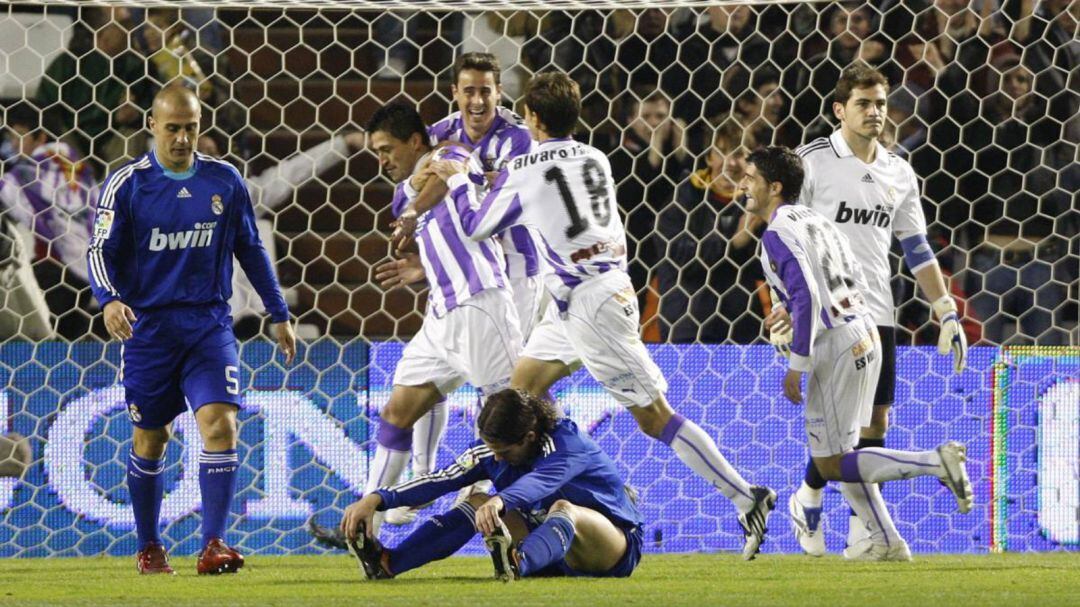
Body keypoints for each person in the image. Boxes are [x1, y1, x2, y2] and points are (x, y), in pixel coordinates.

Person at [428, 72, 775, 560]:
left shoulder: (525, 167)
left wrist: (459, 178)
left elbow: (475, 224)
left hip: (592, 304)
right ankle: (581, 482)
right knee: (521, 394)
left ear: (531, 118)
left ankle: (747, 497)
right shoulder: (595, 157)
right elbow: (554, 192)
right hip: (580, 297)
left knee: (654, 418)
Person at [86, 85, 296, 575]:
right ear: (152, 127)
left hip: (208, 325)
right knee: (151, 439)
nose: (182, 138)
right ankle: (149, 545)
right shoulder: (128, 185)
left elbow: (251, 250)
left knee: (221, 425)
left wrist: (277, 312)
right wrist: (109, 299)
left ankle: (214, 544)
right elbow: (99, 251)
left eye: (191, 128)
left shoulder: (224, 180)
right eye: (173, 128)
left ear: (201, 128)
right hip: (149, 331)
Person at [742, 145, 973, 562]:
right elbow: (838, 278)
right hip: (866, 330)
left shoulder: (777, 234)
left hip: (835, 345)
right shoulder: (816, 220)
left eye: (750, 177)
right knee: (846, 452)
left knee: (831, 464)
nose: (743, 184)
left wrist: (796, 365)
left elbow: (808, 297)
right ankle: (886, 540)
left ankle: (934, 462)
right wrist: (791, 309)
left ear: (774, 187)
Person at [783, 64, 969, 557]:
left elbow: (916, 247)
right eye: (864, 103)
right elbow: (784, 233)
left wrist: (945, 310)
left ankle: (818, 503)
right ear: (839, 109)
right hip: (828, 313)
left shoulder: (898, 170)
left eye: (881, 103)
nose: (875, 113)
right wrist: (784, 302)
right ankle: (861, 527)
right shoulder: (812, 162)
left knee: (875, 427)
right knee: (840, 432)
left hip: (879, 311)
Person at [378, 53, 543, 520]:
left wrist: (459, 180)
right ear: (455, 91)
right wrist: (428, 264)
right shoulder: (441, 132)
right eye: (468, 90)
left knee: (517, 395)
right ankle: (424, 479)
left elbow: (484, 186)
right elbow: (425, 184)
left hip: (516, 273)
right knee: (436, 375)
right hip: (464, 274)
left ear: (499, 92)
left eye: (485, 91)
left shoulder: (517, 137)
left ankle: (543, 484)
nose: (476, 100)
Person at [360, 102, 522, 536]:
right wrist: (421, 268)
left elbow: (445, 176)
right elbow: (429, 220)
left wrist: (414, 211)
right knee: (396, 411)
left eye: (386, 148)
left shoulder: (450, 153)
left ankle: (572, 492)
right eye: (375, 152)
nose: (382, 160)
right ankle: (366, 523)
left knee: (517, 416)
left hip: (480, 305)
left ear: (414, 141)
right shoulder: (402, 192)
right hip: (440, 317)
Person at [318, 389, 643, 581]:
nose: (496, 460)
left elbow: (540, 481)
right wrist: (376, 499)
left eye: (504, 452)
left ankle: (517, 564)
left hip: (610, 547)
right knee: (475, 501)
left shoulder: (567, 446)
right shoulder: (494, 449)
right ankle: (388, 564)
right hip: (546, 547)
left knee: (564, 508)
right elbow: (441, 479)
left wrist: (499, 501)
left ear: (529, 437)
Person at [654, 120, 763, 343]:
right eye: (721, 152)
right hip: (688, 326)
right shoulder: (683, 197)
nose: (731, 163)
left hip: (743, 329)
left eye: (739, 153)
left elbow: (766, 267)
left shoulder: (757, 205)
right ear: (709, 157)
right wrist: (733, 244)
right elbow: (679, 257)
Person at [1, 102, 102, 339]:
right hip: (97, 273)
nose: (14, 144)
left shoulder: (26, 174)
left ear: (40, 135)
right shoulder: (80, 169)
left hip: (57, 270)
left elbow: (9, 194)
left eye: (19, 136)